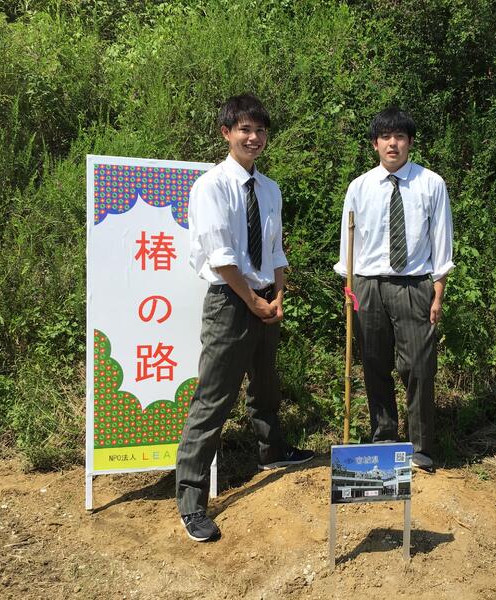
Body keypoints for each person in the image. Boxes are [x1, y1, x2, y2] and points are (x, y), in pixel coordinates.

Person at [176, 94, 313, 542]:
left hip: (265, 298)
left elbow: (275, 250)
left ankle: (272, 451)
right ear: (227, 133)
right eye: (245, 130)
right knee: (213, 399)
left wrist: (278, 295)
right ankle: (192, 501)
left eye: (260, 131)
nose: (254, 138)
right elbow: (221, 258)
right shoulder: (211, 186)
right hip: (230, 301)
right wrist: (252, 301)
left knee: (266, 384)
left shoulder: (269, 189)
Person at [334, 107, 454, 473]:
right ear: (375, 143)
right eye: (385, 137)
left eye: (399, 137)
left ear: (410, 142)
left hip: (414, 284)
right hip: (367, 285)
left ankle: (420, 446)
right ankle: (383, 436)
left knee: (419, 365)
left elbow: (442, 240)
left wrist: (438, 290)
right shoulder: (359, 187)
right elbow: (348, 245)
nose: (392, 144)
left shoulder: (431, 183)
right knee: (374, 364)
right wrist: (349, 288)